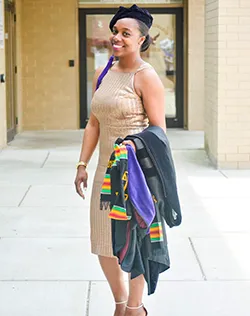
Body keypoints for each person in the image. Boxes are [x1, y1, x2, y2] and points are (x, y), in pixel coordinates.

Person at [75, 4, 166, 316]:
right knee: (104, 244)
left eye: (126, 33)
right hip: (104, 173)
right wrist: (82, 164)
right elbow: (93, 123)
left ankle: (134, 308)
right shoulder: (105, 74)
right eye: (115, 31)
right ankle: (119, 302)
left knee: (136, 243)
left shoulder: (146, 77)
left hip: (135, 176)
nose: (117, 37)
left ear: (141, 40)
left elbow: (158, 132)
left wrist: (142, 164)